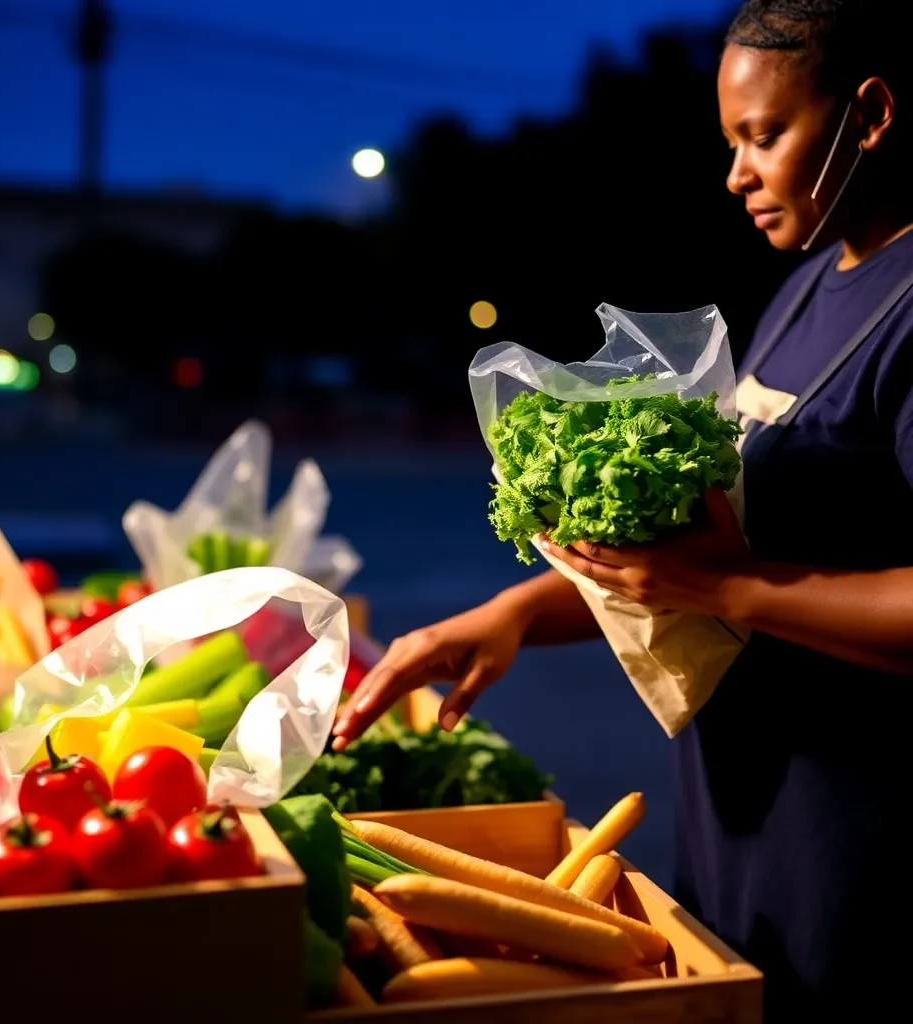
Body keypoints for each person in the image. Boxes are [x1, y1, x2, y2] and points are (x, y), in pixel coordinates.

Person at [332, 1, 913, 1018]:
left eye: (763, 136)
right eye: (730, 141)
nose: (736, 173)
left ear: (868, 114)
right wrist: (513, 614)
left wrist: (727, 584)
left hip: (862, 849)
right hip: (742, 820)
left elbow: (726, 574)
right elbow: (708, 549)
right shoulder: (809, 284)